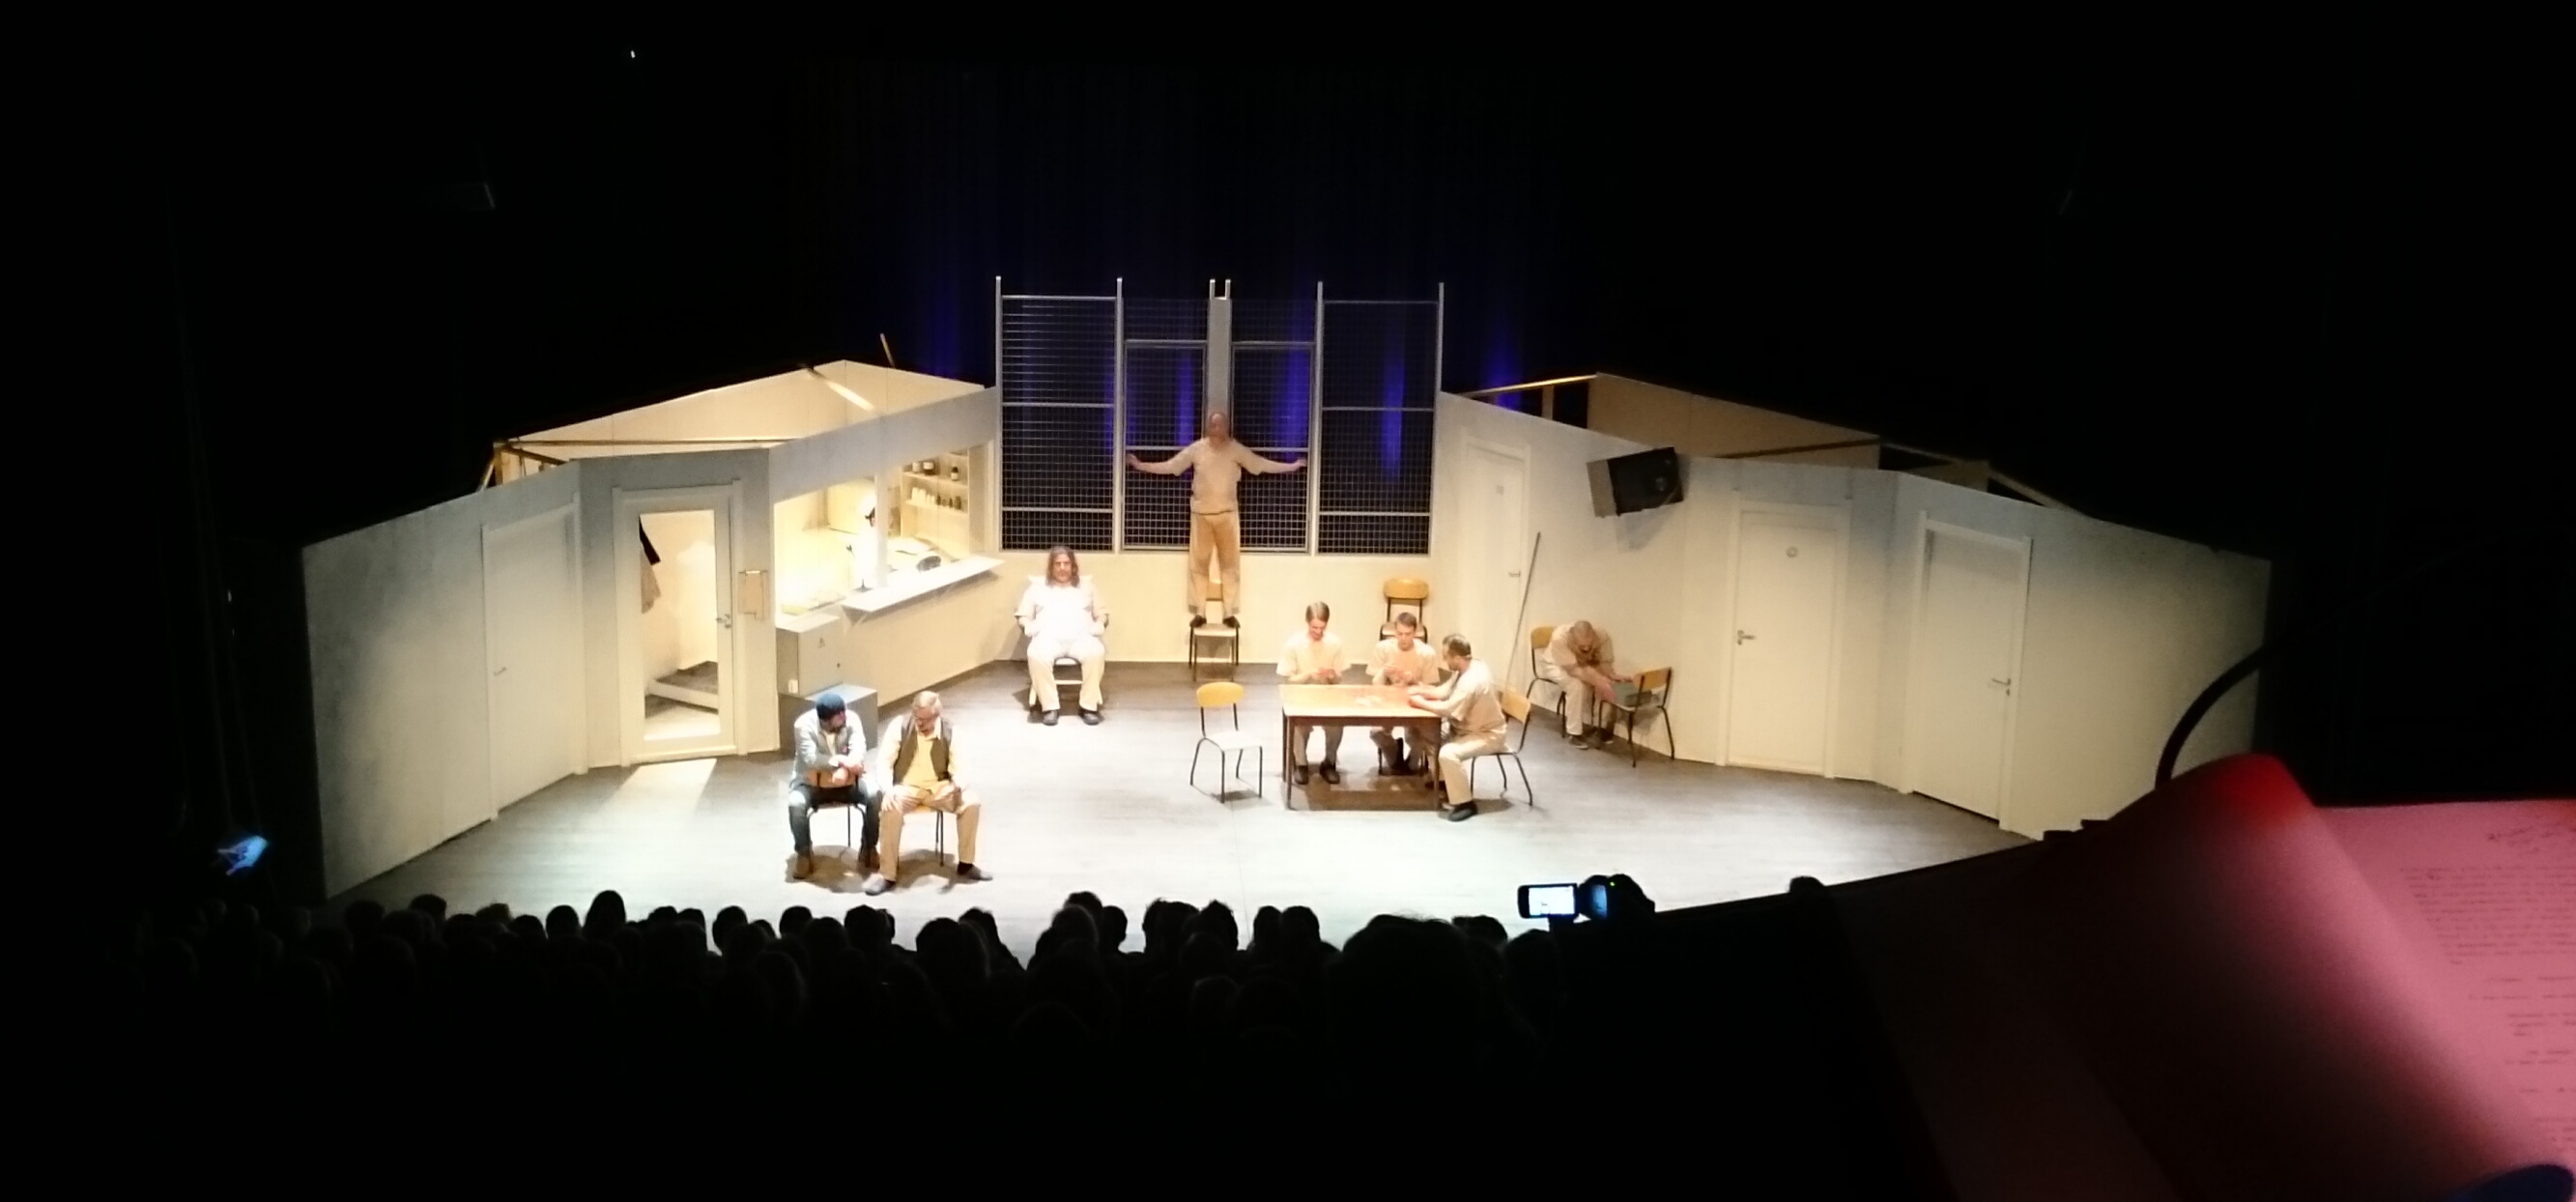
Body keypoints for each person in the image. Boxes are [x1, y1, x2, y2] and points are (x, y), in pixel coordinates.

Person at [1126, 410, 1303, 625]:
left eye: (1220, 425)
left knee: (1230, 565)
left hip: (1227, 515)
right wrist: (1140, 465)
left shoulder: (1235, 449)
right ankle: (1200, 612)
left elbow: (1260, 464)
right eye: (1213, 425)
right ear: (1208, 427)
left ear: (1227, 427)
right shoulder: (1197, 449)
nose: (1217, 429)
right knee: (1199, 565)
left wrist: (1292, 466)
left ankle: (1228, 613)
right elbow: (1172, 466)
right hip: (1201, 515)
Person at [859, 692, 987, 896]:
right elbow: (883, 762)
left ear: (937, 716)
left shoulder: (951, 732)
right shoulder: (899, 727)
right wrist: (888, 789)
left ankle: (966, 864)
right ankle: (887, 874)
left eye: (925, 720)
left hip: (939, 787)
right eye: (917, 718)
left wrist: (955, 786)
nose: (920, 723)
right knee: (890, 806)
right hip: (906, 787)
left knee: (971, 802)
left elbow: (963, 768)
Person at [1410, 634, 1506, 822]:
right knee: (1426, 730)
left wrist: (1419, 703)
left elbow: (1449, 709)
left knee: (1449, 753)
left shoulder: (1472, 680)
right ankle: (1444, 781)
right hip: (1465, 729)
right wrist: (1421, 691)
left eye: (1446, 656)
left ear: (1456, 657)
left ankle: (1465, 803)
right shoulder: (1466, 667)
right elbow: (1445, 691)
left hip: (1486, 734)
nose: (1444, 660)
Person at [787, 694, 879, 878]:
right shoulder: (803, 725)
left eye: (844, 712)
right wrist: (839, 762)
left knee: (874, 795)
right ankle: (804, 853)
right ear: (825, 720)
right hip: (812, 784)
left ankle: (869, 846)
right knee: (795, 804)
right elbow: (811, 759)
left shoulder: (852, 719)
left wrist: (845, 771)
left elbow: (859, 749)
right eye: (839, 715)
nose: (845, 717)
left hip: (848, 782)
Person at [1016, 545, 1108, 726]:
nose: (1062, 568)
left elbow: (1102, 614)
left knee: (1097, 652)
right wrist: (1027, 625)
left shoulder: (1087, 587)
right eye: (1057, 564)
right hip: (1048, 637)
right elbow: (1023, 616)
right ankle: (1050, 707)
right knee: (1035, 653)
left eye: (1066, 563)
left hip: (1081, 636)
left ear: (1073, 566)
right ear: (1051, 567)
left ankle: (1088, 707)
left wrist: (1100, 623)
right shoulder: (1037, 588)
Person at [1277, 601, 1350, 787]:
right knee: (1299, 725)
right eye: (1314, 627)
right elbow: (1288, 680)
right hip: (1301, 696)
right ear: (1307, 622)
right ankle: (1301, 763)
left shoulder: (1334, 643)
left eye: (1321, 627)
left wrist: (1332, 675)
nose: (1318, 631)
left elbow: (1339, 678)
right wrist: (1309, 675)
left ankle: (1329, 762)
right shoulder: (1294, 644)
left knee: (1336, 724)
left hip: (1327, 695)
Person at [1368, 613, 1446, 776]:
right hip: (1388, 702)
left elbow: (1431, 689)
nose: (1403, 638)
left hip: (1415, 702)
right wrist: (1384, 672)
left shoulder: (1426, 653)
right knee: (1376, 732)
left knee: (1419, 734)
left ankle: (1412, 762)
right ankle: (1395, 757)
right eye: (1400, 634)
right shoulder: (1383, 648)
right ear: (1394, 632)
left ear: (1415, 633)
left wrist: (1413, 681)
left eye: (1408, 634)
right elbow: (1375, 686)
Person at [1541, 620, 1632, 750]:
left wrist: (1610, 676)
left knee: (1607, 684)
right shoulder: (1559, 638)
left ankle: (1600, 726)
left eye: (1589, 645)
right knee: (1576, 686)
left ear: (1594, 635)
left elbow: (1605, 662)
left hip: (1582, 665)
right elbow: (1574, 670)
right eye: (1582, 646)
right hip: (1556, 664)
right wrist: (1599, 680)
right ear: (1572, 638)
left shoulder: (1602, 636)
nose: (1586, 649)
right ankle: (1574, 733)